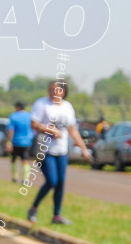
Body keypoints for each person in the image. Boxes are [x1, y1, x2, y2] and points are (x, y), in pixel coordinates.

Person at [26, 80, 91, 225]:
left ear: (63, 91)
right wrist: (50, 130)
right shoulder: (41, 104)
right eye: (50, 89)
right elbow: (34, 124)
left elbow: (72, 130)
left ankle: (56, 216)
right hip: (44, 150)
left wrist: (84, 149)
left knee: (61, 183)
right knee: (52, 181)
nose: (52, 92)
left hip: (61, 151)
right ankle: (34, 207)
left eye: (55, 90)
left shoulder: (67, 107)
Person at [5, 101, 33, 183]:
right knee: (25, 160)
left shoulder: (13, 116)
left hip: (16, 141)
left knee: (13, 160)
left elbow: (11, 130)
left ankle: (15, 178)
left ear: (17, 107)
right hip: (27, 142)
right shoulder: (29, 116)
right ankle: (25, 179)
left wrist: (9, 142)